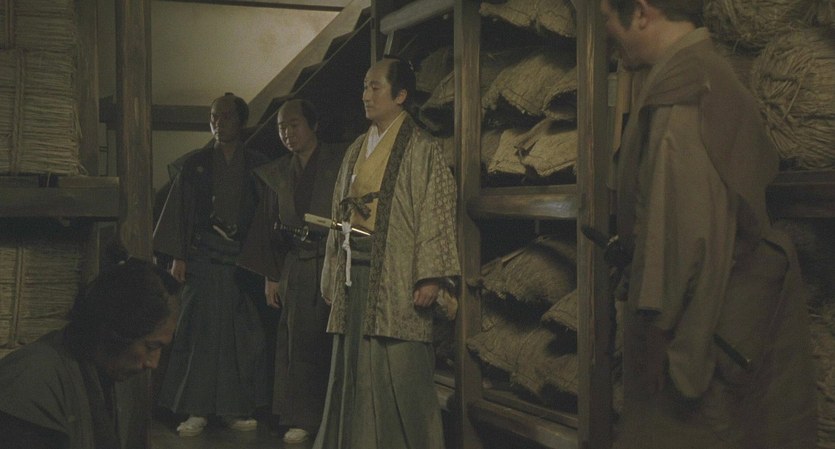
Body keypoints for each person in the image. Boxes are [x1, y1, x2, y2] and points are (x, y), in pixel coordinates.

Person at [601, 1, 817, 448]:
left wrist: (657, 339)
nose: (607, 30)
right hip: (722, 330)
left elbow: (682, 239)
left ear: (640, 12)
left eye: (606, 16)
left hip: (695, 342)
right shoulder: (708, 76)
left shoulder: (683, 94)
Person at [313, 56, 460, 449]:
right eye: (364, 86)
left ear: (401, 95)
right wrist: (332, 270)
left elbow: (437, 209)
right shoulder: (355, 149)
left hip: (398, 273)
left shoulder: (422, 148)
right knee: (353, 368)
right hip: (355, 269)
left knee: (400, 369)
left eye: (375, 87)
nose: (366, 95)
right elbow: (338, 211)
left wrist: (431, 275)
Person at [153, 92, 270, 437]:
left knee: (239, 337)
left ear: (242, 122)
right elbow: (179, 210)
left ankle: (235, 408)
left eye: (226, 117)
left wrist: (264, 264)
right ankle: (196, 409)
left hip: (241, 263)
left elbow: (266, 218)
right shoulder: (196, 164)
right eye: (213, 117)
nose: (218, 123)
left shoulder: (258, 165)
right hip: (202, 258)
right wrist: (178, 256)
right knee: (198, 333)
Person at [0, 244, 181, 449]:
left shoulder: (107, 372)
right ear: (117, 331)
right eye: (151, 346)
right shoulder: (32, 380)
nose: (153, 363)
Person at [238, 98, 344, 444]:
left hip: (333, 261)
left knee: (327, 342)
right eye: (281, 127)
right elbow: (269, 226)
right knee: (296, 342)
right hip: (295, 264)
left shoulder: (340, 162)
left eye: (294, 125)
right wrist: (271, 275)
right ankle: (300, 417)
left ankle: (332, 416)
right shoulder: (278, 172)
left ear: (314, 125)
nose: (287, 133)